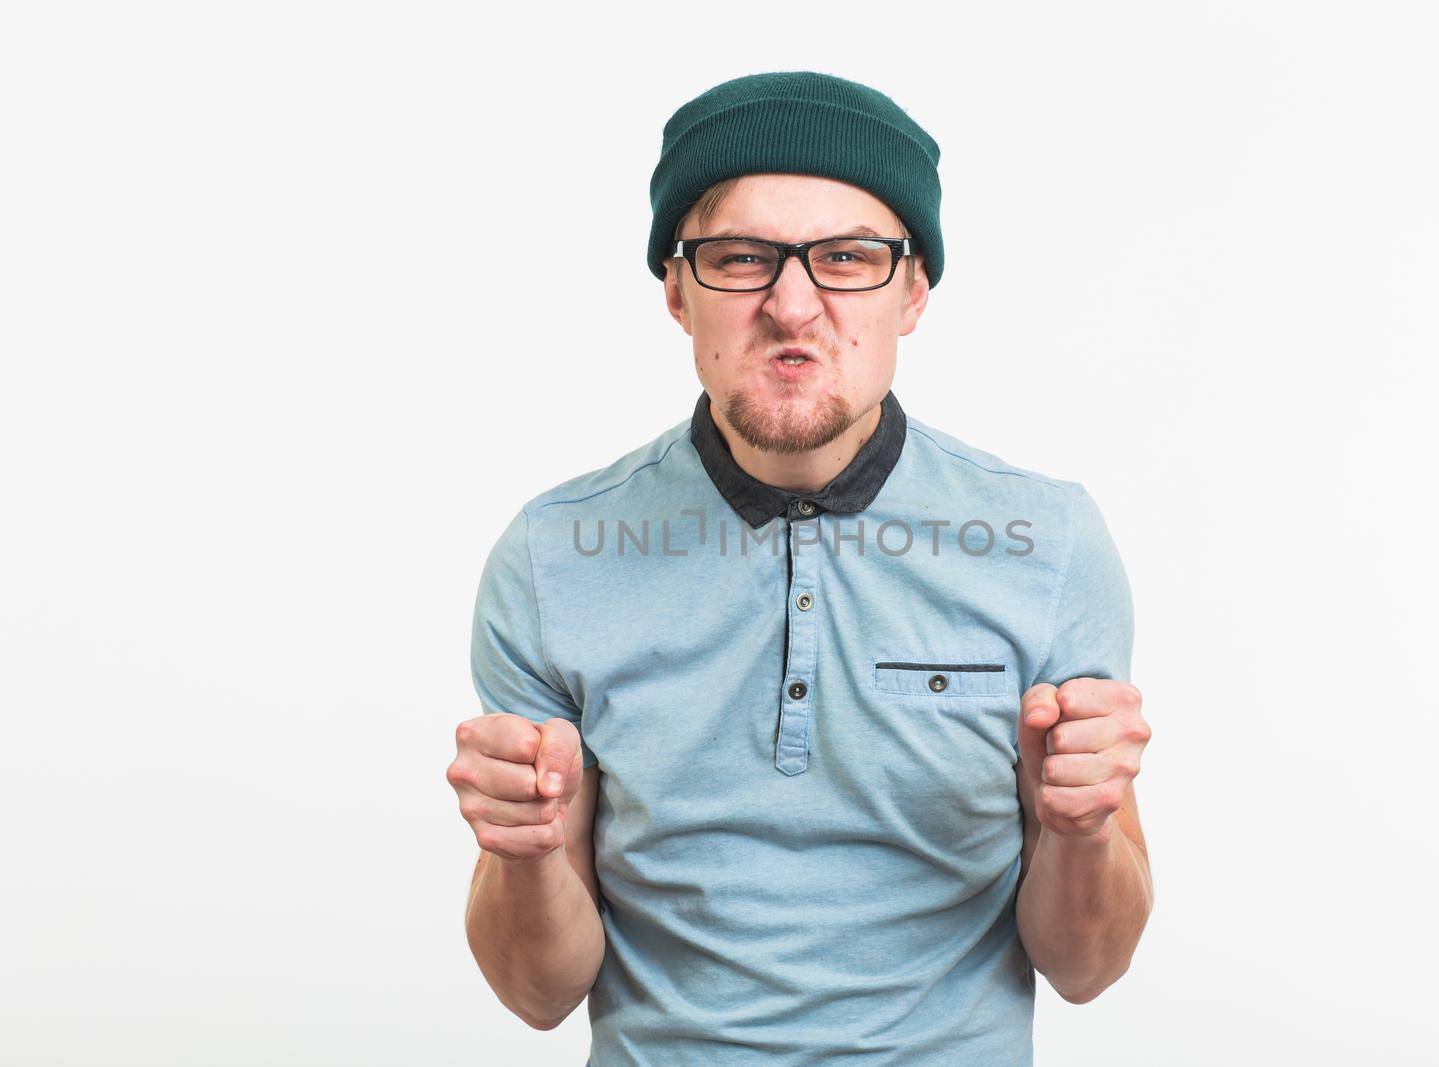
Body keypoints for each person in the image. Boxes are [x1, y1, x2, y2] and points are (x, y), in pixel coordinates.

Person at [445, 70, 1154, 1066]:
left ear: (911, 291)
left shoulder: (1048, 542)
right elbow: (536, 990)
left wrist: (1077, 830)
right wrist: (521, 845)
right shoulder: (553, 554)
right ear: (676, 289)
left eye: (847, 257)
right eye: (740, 257)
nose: (792, 304)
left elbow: (1086, 967)